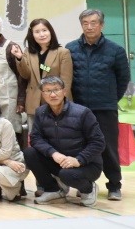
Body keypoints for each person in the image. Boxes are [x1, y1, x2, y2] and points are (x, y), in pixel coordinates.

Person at [66, 9, 129, 201]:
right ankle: (84, 184)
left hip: (105, 108)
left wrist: (110, 99)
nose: (89, 27)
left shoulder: (116, 50)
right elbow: (62, 73)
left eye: (93, 23)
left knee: (108, 147)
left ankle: (114, 185)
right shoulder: (70, 48)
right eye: (85, 23)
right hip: (78, 109)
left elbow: (123, 79)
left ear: (101, 25)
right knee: (80, 147)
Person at [25, 75, 106, 207]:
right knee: (30, 153)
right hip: (59, 160)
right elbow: (36, 138)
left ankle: (89, 189)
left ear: (64, 91)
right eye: (48, 91)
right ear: (42, 94)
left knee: (67, 175)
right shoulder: (41, 112)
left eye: (56, 90)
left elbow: (98, 142)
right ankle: (54, 190)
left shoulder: (83, 113)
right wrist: (53, 153)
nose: (53, 94)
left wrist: (78, 160)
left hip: (86, 164)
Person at [16, 18, 73, 136]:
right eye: (37, 32)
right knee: (36, 136)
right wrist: (20, 58)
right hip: (34, 101)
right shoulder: (28, 52)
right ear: (32, 35)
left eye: (44, 30)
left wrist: (61, 101)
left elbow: (66, 81)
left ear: (50, 32)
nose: (42, 34)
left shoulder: (63, 52)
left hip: (56, 100)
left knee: (59, 135)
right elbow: (25, 75)